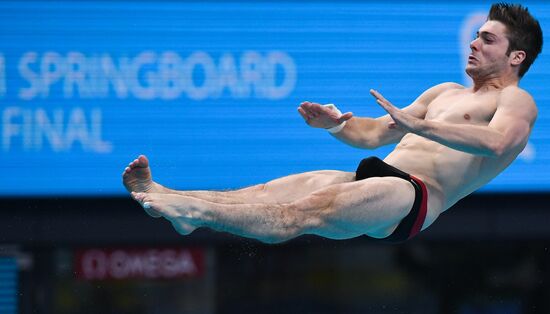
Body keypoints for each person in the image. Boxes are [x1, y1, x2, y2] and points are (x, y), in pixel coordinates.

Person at [123, 3, 543, 244]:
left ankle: (196, 212)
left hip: (412, 197)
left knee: (297, 214)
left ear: (516, 57)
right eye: (476, 35)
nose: (473, 42)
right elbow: (375, 134)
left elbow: (497, 143)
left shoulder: (516, 100)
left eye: (487, 39)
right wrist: (336, 126)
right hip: (375, 176)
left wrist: (420, 127)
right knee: (266, 191)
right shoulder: (443, 92)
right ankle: (173, 197)